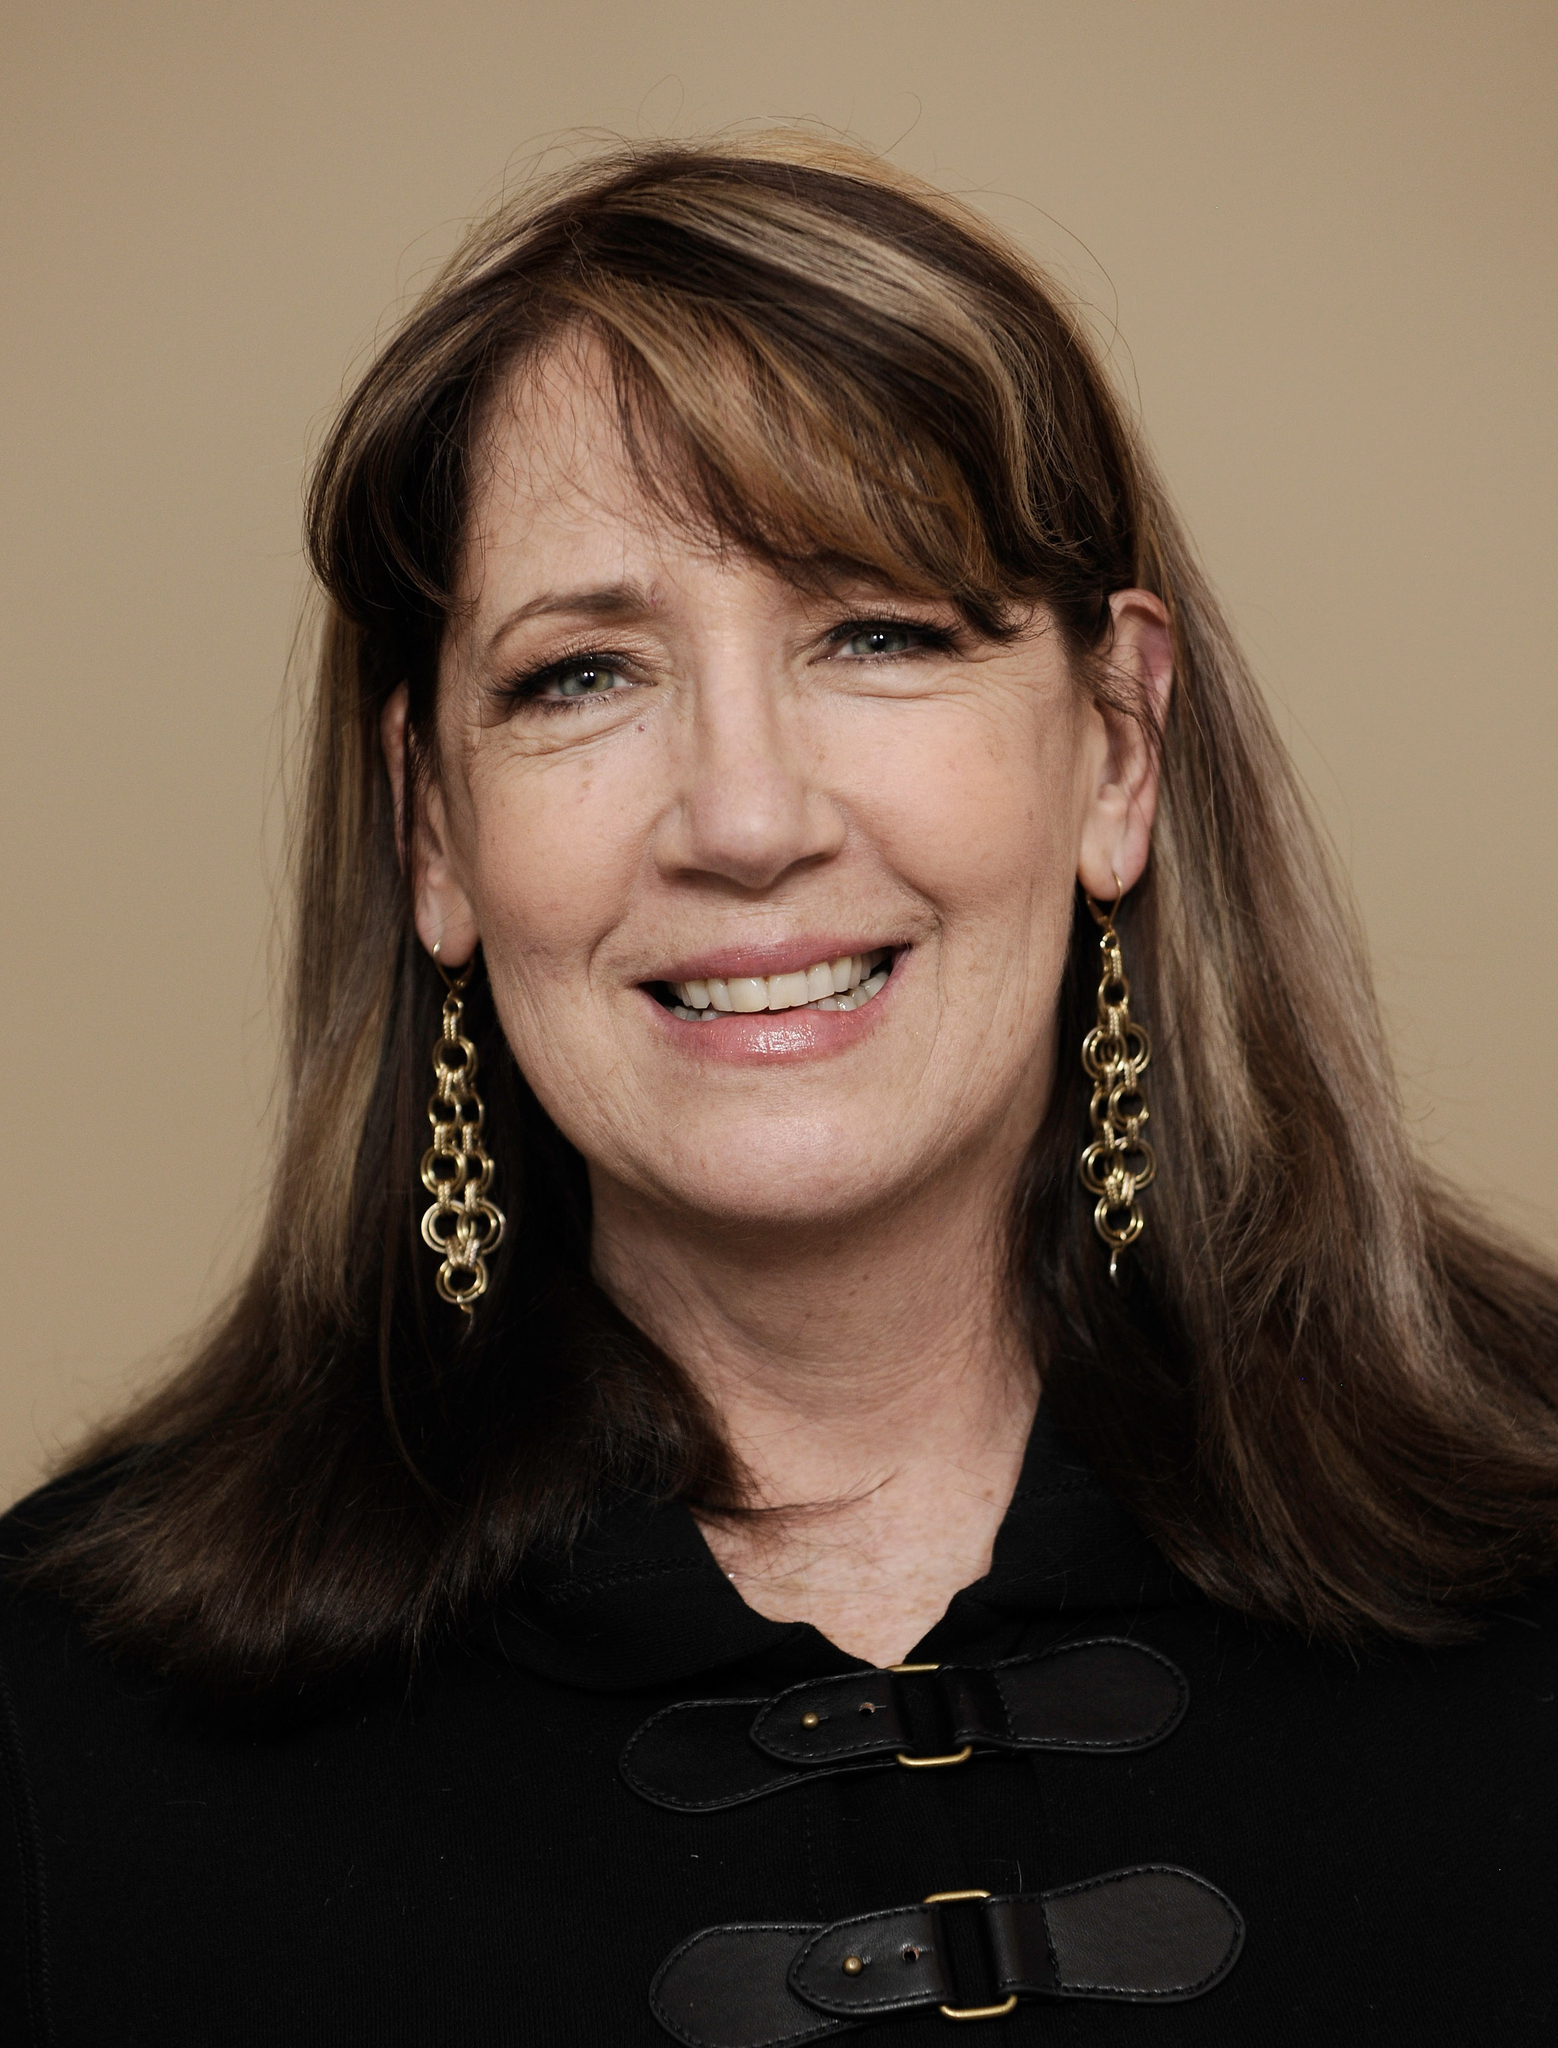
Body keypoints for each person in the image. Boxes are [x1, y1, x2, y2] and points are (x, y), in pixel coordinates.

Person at [3, 134, 1556, 2047]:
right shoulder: (54, 1727)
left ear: (1117, 750)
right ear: (434, 828)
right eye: (581, 676)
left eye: (878, 632)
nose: (743, 820)